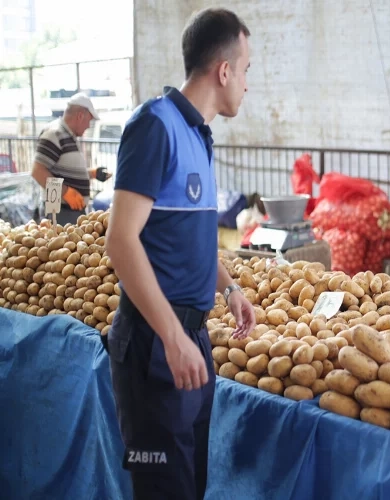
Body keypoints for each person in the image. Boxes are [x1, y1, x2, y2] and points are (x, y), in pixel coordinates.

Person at [104, 8, 256, 500]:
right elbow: (120, 240)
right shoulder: (155, 126)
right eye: (247, 70)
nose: (248, 85)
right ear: (224, 70)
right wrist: (171, 337)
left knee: (190, 486)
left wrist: (229, 287)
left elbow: (190, 240)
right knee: (162, 488)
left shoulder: (199, 136)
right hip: (153, 348)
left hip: (192, 339)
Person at [31, 92, 111, 225]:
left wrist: (92, 173)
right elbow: (37, 171)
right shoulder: (54, 133)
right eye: (89, 120)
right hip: (60, 210)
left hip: (70, 210)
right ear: (80, 116)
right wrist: (65, 192)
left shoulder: (67, 135)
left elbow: (62, 169)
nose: (88, 126)